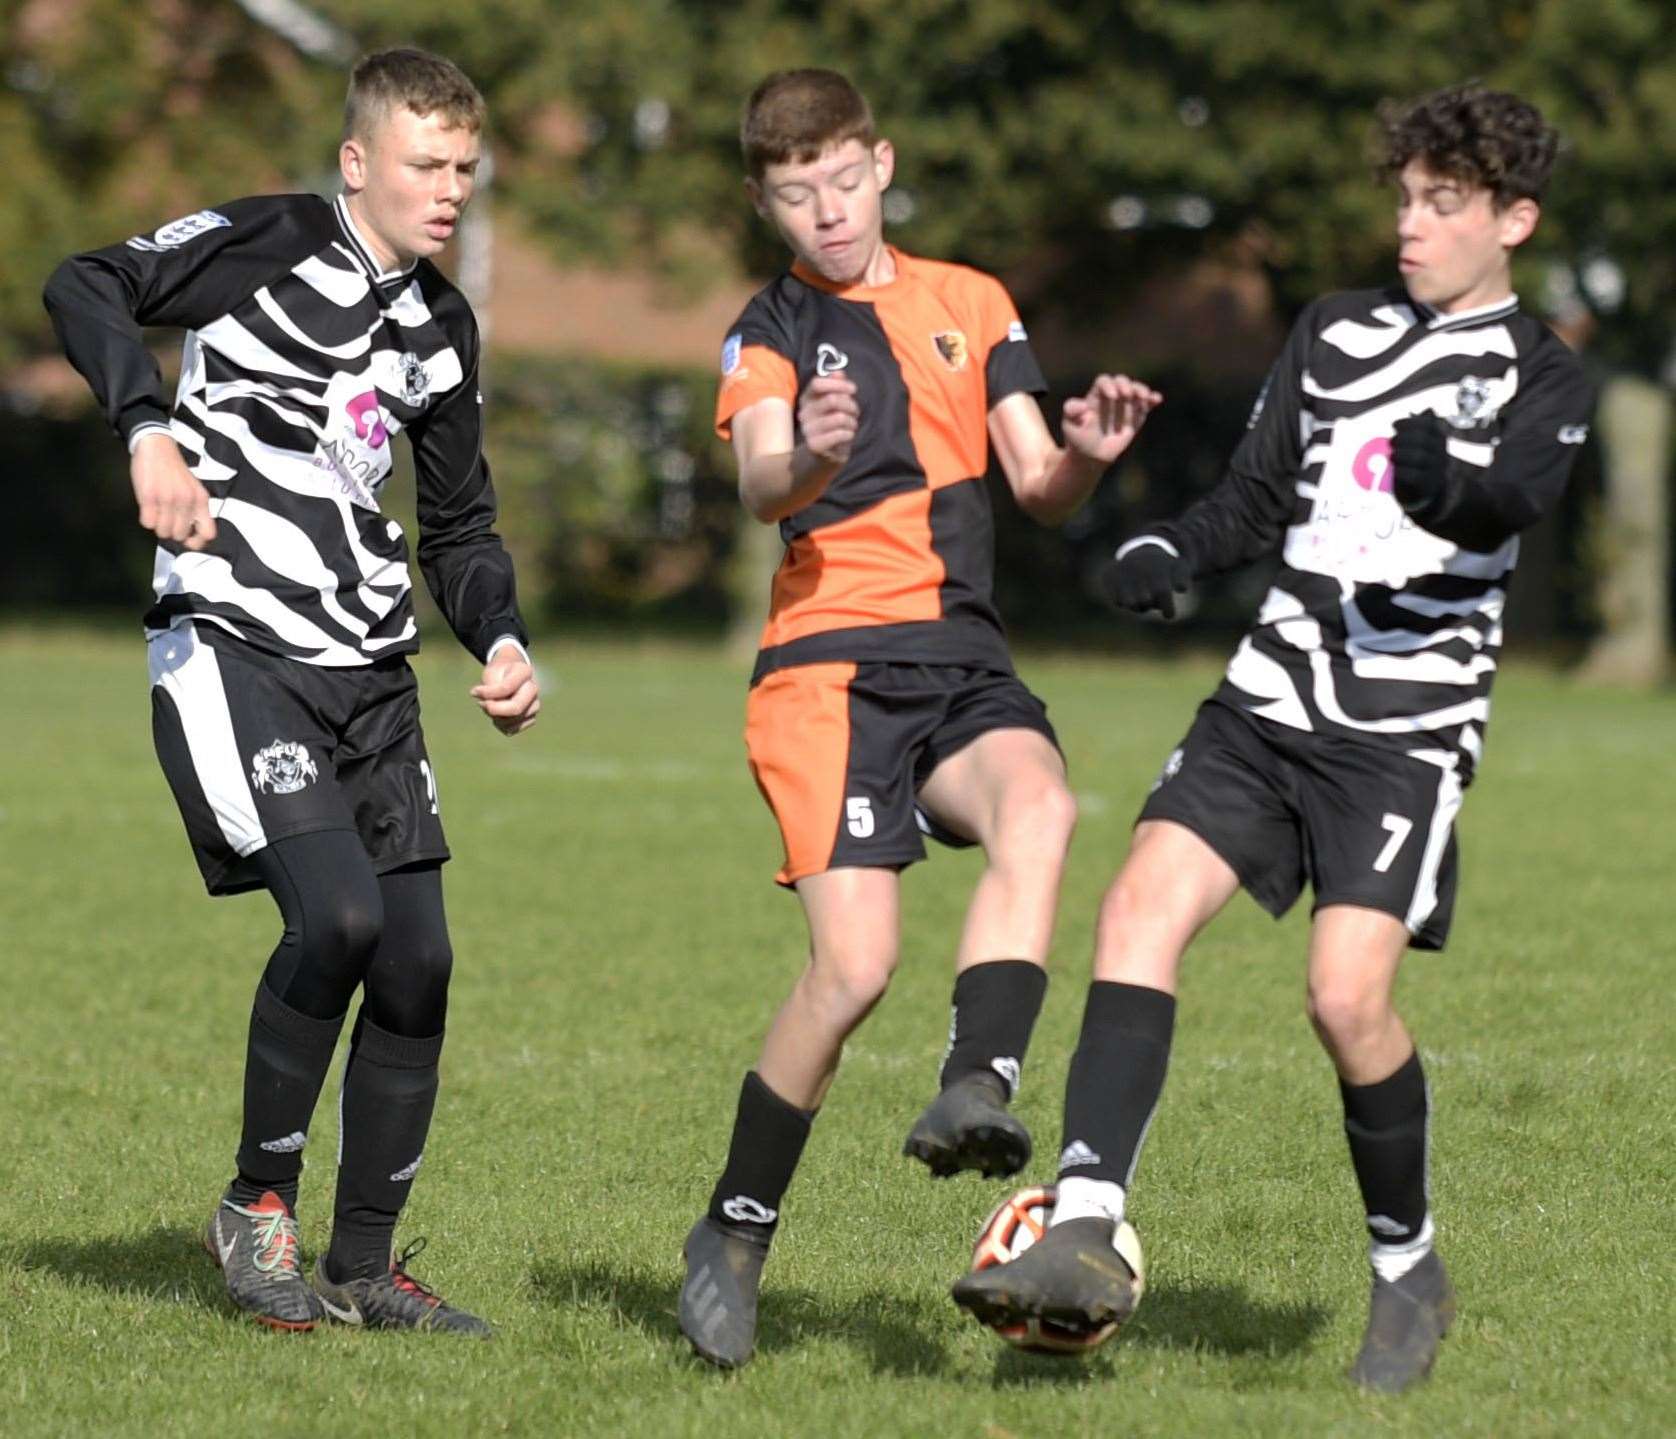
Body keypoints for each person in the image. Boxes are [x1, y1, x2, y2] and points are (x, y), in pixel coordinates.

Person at [950, 83, 1594, 1392]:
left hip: (1403, 734)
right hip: (1266, 702)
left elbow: (1518, 493)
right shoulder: (1338, 329)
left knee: (1346, 1000)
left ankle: (1408, 1269)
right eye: (1405, 198)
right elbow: (1251, 499)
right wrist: (1162, 552)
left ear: (1514, 219)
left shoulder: (1545, 370)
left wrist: (1453, 491)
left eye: (1444, 205)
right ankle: (1085, 1223)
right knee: (1135, 913)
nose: (1411, 225)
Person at [42, 47, 540, 1337]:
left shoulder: (441, 324)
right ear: (359, 162)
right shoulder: (267, 241)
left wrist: (500, 637)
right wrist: (146, 429)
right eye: (427, 167)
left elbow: (462, 527)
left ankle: (365, 1269)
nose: (450, 193)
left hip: (371, 672)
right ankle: (255, 1205)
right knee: (338, 921)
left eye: (467, 171)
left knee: (420, 958)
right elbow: (86, 281)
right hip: (234, 641)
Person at [676, 68, 1161, 1369]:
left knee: (1043, 804)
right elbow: (762, 484)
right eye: (794, 195)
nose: (825, 212)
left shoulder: (972, 301)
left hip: (960, 659)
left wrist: (1093, 454)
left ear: (881, 164)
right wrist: (818, 453)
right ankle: (732, 1227)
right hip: (825, 671)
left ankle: (980, 1084)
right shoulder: (770, 325)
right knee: (854, 969)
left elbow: (1037, 483)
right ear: (766, 200)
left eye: (841, 182)